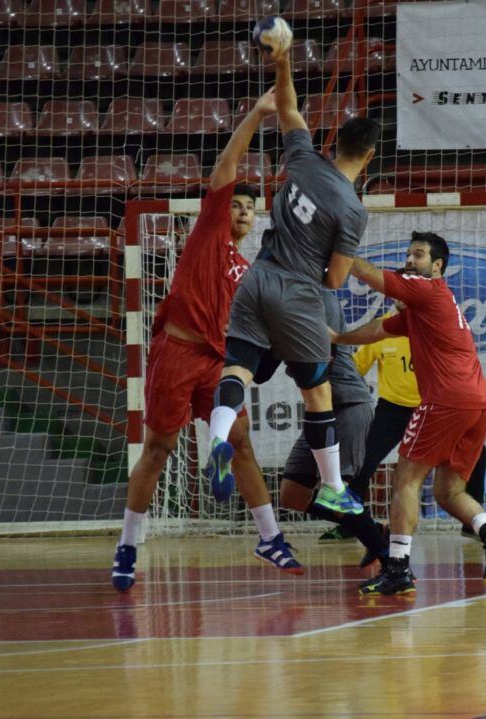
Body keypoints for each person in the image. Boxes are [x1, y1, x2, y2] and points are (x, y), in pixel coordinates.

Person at [111, 90, 302, 593]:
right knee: (158, 450)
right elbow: (226, 164)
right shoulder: (208, 232)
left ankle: (270, 537)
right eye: (235, 203)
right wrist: (259, 114)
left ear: (255, 219)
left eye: (247, 209)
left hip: (219, 362)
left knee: (242, 445)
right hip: (178, 352)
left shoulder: (252, 270)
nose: (240, 211)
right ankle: (128, 543)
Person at [202, 34, 382, 519]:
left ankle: (216, 440)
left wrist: (281, 62)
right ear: (367, 158)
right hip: (298, 291)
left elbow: (288, 108)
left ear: (335, 143)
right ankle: (331, 486)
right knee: (317, 391)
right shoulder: (352, 209)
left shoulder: (302, 159)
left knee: (237, 367)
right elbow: (335, 281)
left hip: (257, 276)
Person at [331, 232, 486, 595]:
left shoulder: (425, 289)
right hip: (476, 403)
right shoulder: (426, 308)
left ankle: (398, 568)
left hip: (445, 400)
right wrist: (337, 338)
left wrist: (338, 248)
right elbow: (378, 330)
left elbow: (370, 276)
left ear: (437, 267)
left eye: (418, 255)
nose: (409, 260)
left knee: (406, 482)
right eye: (407, 254)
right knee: (448, 492)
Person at [319, 313, 486, 542]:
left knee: (479, 455)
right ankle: (351, 524)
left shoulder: (438, 324)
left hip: (434, 408)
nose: (403, 298)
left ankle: (471, 524)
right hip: (393, 410)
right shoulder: (381, 329)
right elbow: (356, 369)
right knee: (362, 461)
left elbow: (463, 363)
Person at [276, 290, 388, 561]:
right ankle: (373, 532)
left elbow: (320, 358)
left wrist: (269, 342)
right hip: (321, 411)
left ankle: (392, 561)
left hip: (348, 405)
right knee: (291, 494)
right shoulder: (282, 298)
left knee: (336, 495)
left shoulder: (319, 295)